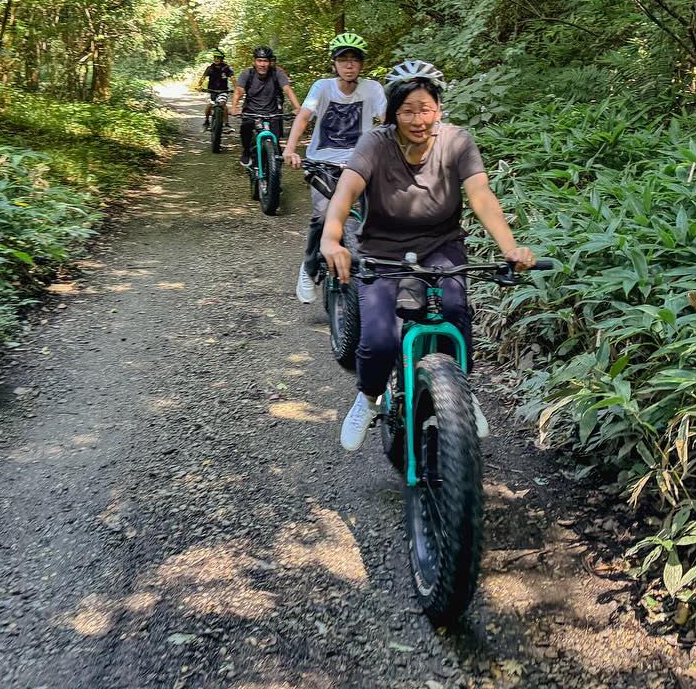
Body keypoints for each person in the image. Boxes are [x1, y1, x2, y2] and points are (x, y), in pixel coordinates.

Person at [318, 60, 537, 450]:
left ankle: (461, 395)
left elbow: (481, 195)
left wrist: (509, 247)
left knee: (454, 314)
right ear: (392, 112)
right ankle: (368, 398)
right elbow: (346, 193)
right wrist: (332, 240)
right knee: (380, 340)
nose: (418, 119)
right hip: (381, 252)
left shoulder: (457, 142)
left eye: (427, 109)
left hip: (442, 247)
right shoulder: (376, 144)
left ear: (439, 108)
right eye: (408, 111)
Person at [282, 32, 386, 304]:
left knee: (376, 215)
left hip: (361, 163)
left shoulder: (372, 89)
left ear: (361, 65)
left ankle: (374, 272)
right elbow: (304, 116)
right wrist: (290, 149)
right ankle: (308, 268)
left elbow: (387, 121)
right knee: (322, 213)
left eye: (354, 60)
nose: (349, 65)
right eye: (343, 60)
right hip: (322, 162)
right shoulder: (322, 87)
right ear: (334, 64)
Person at [230, 45, 302, 167]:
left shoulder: (276, 73)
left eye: (265, 61)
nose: (262, 64)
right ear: (254, 62)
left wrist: (298, 108)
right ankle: (247, 151)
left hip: (272, 113)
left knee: (276, 144)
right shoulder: (247, 74)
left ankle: (275, 177)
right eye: (259, 60)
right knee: (245, 129)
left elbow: (287, 89)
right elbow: (239, 91)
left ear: (270, 63)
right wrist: (234, 107)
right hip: (251, 112)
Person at [198, 51, 234, 131]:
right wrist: (199, 86)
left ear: (222, 59)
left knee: (223, 104)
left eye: (218, 58)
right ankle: (206, 121)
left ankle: (226, 124)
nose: (216, 59)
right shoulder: (210, 68)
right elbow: (203, 78)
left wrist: (236, 88)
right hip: (211, 91)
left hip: (223, 91)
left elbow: (233, 78)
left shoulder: (226, 68)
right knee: (209, 105)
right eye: (215, 58)